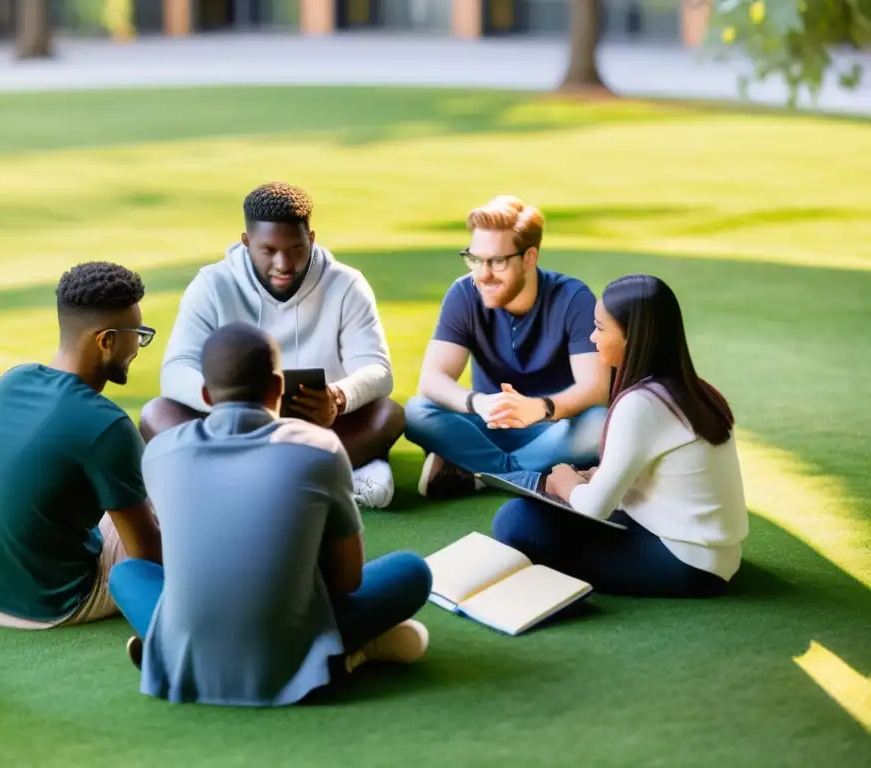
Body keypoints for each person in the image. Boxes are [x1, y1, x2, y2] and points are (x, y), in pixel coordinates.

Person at [109, 322, 432, 707]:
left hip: (195, 647)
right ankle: (346, 652)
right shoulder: (320, 448)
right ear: (279, 388)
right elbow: (346, 580)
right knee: (413, 572)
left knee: (126, 574)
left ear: (206, 395)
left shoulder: (161, 452)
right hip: (287, 648)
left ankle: (169, 652)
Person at [139, 182, 404, 509]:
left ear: (312, 239)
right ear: (247, 243)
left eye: (295, 248)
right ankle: (328, 476)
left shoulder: (347, 284)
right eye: (269, 250)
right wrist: (234, 406)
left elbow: (378, 370)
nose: (283, 264)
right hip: (234, 430)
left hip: (319, 423)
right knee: (157, 413)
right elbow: (176, 369)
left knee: (387, 415)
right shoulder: (212, 284)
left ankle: (231, 481)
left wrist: (338, 397)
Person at [0, 261, 163, 629]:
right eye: (137, 332)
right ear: (107, 341)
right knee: (163, 516)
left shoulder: (11, 381)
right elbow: (146, 557)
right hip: (53, 603)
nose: (139, 344)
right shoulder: (109, 425)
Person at [492, 274, 749, 597]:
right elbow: (664, 477)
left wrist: (563, 482)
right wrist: (594, 476)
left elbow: (593, 508)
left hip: (687, 564)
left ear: (632, 338)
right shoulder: (693, 391)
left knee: (517, 521)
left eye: (600, 328)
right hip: (717, 556)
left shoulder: (642, 403)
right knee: (539, 515)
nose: (592, 337)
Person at [404, 195, 610, 499]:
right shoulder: (463, 293)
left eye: (497, 261)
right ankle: (518, 474)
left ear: (529, 258)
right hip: (488, 423)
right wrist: (478, 403)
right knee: (416, 411)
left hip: (554, 428)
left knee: (601, 424)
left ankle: (477, 471)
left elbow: (595, 388)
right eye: (475, 259)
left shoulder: (573, 298)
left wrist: (540, 407)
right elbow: (432, 380)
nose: (483, 274)